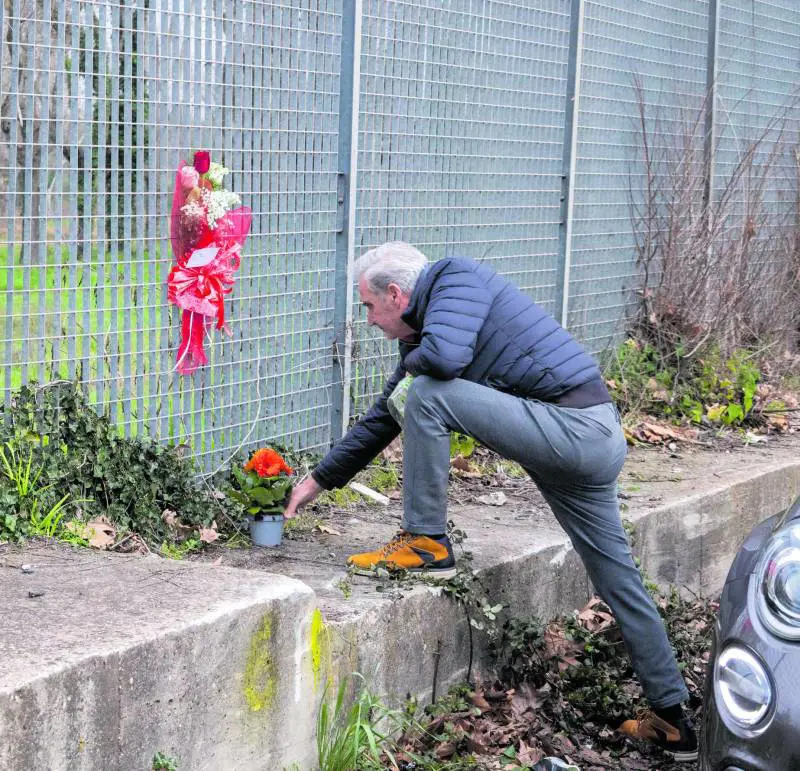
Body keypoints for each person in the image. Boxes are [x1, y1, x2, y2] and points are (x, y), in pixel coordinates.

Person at [284, 241, 697, 762]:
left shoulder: (455, 279)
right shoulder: (426, 329)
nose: (367, 320)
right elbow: (384, 416)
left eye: (367, 306)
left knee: (429, 395)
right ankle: (672, 719)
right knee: (618, 579)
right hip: (580, 438)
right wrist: (316, 482)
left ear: (395, 293)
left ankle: (426, 541)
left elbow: (442, 365)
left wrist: (412, 367)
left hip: (577, 431)